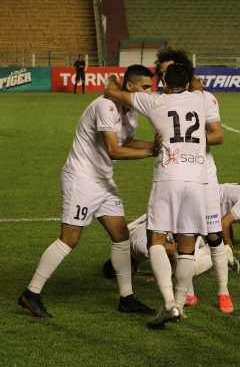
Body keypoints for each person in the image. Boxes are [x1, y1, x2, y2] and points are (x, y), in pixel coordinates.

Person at [18, 65, 156, 319]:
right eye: (146, 87)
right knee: (69, 239)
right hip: (82, 179)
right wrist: (152, 152)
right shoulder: (106, 106)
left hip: (103, 181)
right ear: (130, 86)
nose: (150, 91)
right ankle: (31, 293)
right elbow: (114, 149)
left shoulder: (130, 111)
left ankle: (127, 297)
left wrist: (154, 145)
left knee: (121, 235)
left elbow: (127, 142)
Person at [105, 62, 208, 329]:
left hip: (168, 176)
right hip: (198, 179)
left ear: (163, 82)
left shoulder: (154, 102)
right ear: (187, 83)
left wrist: (116, 84)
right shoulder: (200, 99)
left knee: (156, 239)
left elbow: (115, 93)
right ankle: (181, 304)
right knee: (187, 245)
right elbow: (198, 87)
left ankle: (168, 305)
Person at [155, 47, 234, 314]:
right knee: (180, 235)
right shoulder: (159, 102)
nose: (166, 76)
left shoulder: (204, 99)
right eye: (163, 72)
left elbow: (219, 135)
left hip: (204, 177)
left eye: (170, 71)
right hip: (174, 176)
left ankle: (223, 291)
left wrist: (187, 141)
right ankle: (187, 291)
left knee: (213, 235)